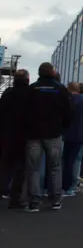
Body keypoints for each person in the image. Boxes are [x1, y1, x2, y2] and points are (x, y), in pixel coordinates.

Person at [24, 62, 72, 213]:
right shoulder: (60, 89)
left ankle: (34, 202)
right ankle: (56, 200)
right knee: (55, 167)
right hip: (54, 134)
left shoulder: (31, 89)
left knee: (34, 169)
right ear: (52, 72)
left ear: (38, 73)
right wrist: (62, 126)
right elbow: (69, 112)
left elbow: (23, 112)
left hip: (34, 134)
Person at [0, 69, 30, 209]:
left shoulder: (7, 94)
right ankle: (15, 198)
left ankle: (2, 190)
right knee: (20, 168)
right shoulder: (31, 94)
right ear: (27, 79)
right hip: (24, 135)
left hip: (7, 134)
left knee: (5, 165)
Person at [62, 82, 83, 197]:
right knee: (76, 161)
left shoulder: (66, 99)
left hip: (64, 135)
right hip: (80, 135)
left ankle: (63, 187)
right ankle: (72, 186)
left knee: (65, 162)